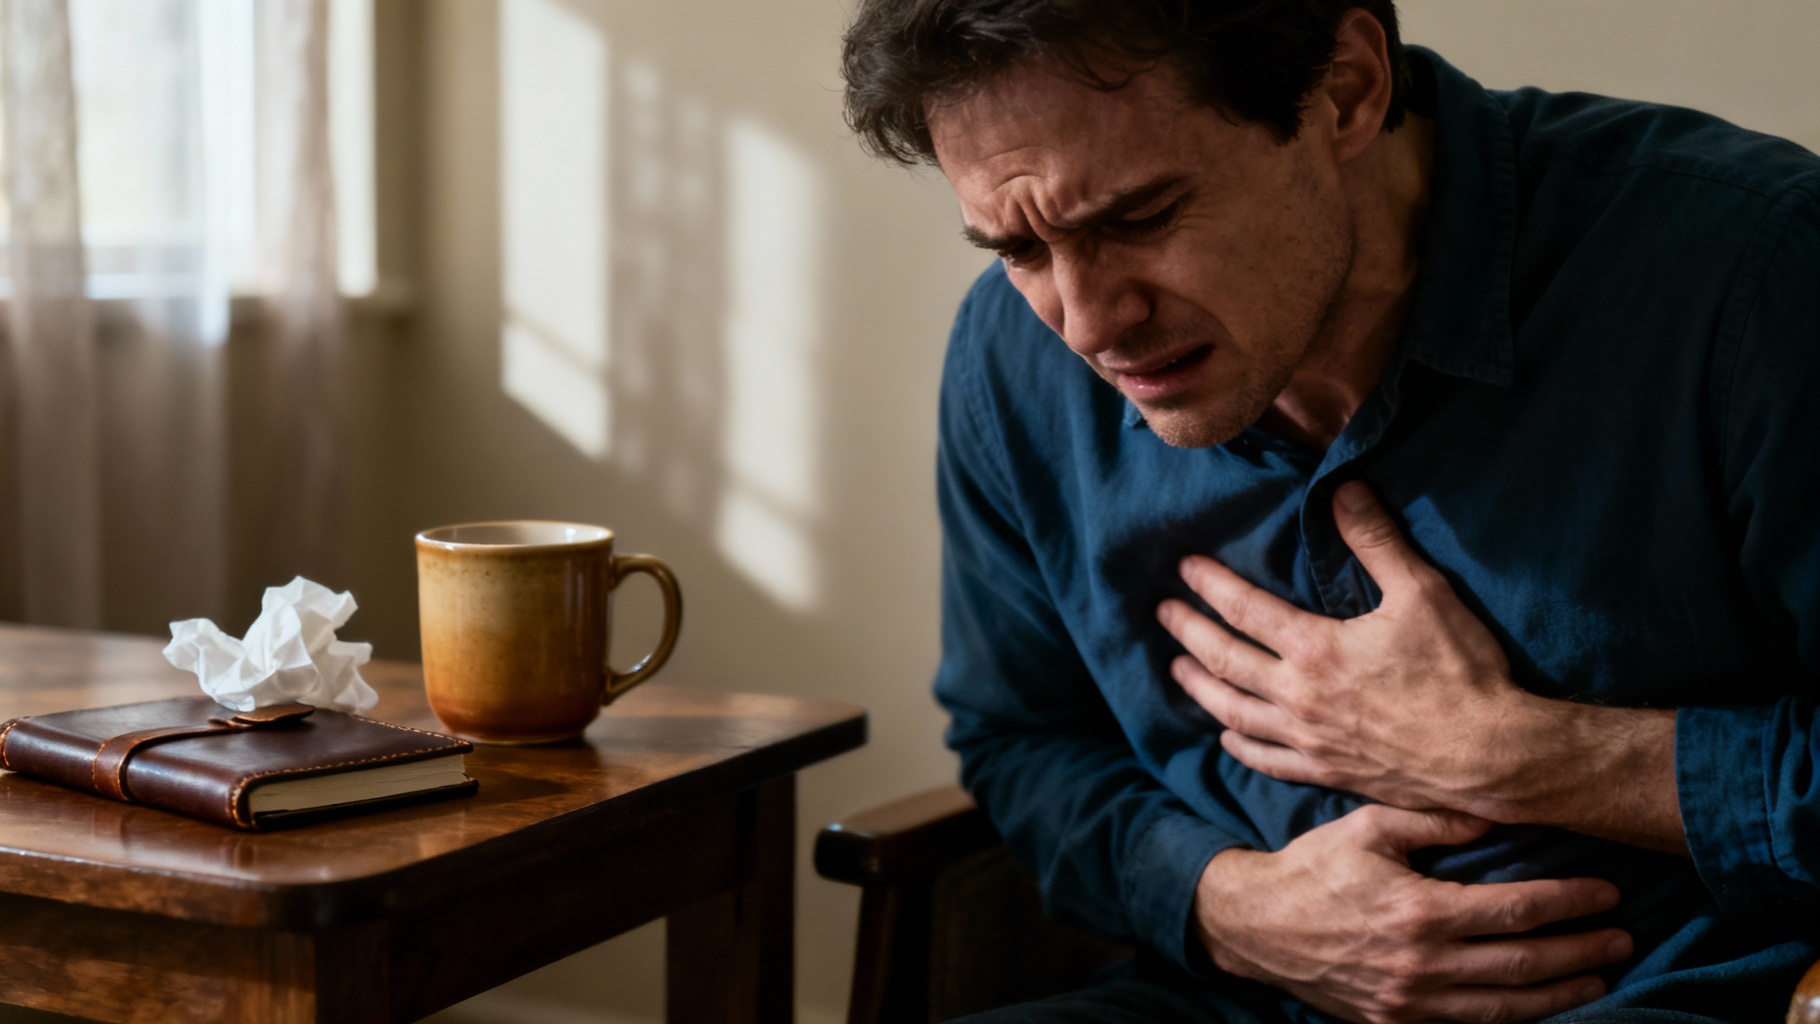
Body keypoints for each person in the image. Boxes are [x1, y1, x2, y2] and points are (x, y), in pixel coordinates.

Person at [839, 1, 1820, 1022]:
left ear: (1346, 88)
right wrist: (1225, 904)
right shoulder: (1010, 360)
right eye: (1019, 248)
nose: (1086, 324)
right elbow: (1022, 739)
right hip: (1233, 995)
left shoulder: (1752, 278)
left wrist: (1522, 756)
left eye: (1137, 217)